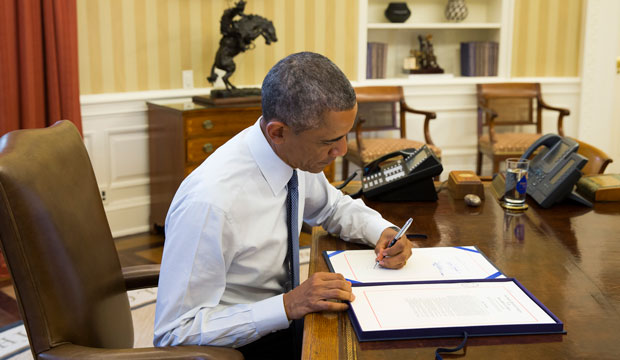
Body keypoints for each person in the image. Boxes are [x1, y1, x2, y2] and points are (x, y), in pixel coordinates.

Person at [154, 52, 413, 359]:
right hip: (237, 345)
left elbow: (330, 207)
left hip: (285, 319)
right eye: (329, 141)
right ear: (277, 132)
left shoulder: (291, 157)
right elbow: (174, 333)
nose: (342, 150)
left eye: (344, 135)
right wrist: (288, 305)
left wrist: (381, 229)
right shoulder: (211, 204)